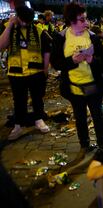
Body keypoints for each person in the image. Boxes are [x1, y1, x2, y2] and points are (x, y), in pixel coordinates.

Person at [50, 2, 103, 160]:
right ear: (71, 20)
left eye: (86, 19)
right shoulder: (61, 37)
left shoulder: (92, 37)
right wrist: (73, 60)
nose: (86, 23)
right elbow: (55, 63)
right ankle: (84, 144)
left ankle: (102, 145)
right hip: (74, 88)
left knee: (98, 116)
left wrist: (91, 59)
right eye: (82, 20)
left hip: (93, 86)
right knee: (80, 117)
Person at [0, 5, 51, 140]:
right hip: (16, 73)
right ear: (17, 17)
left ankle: (39, 119)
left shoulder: (39, 30)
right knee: (19, 100)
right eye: (22, 20)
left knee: (37, 98)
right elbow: (1, 45)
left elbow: (47, 50)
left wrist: (45, 69)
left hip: (36, 71)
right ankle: (18, 125)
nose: (25, 24)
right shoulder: (9, 28)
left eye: (27, 21)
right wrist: (10, 25)